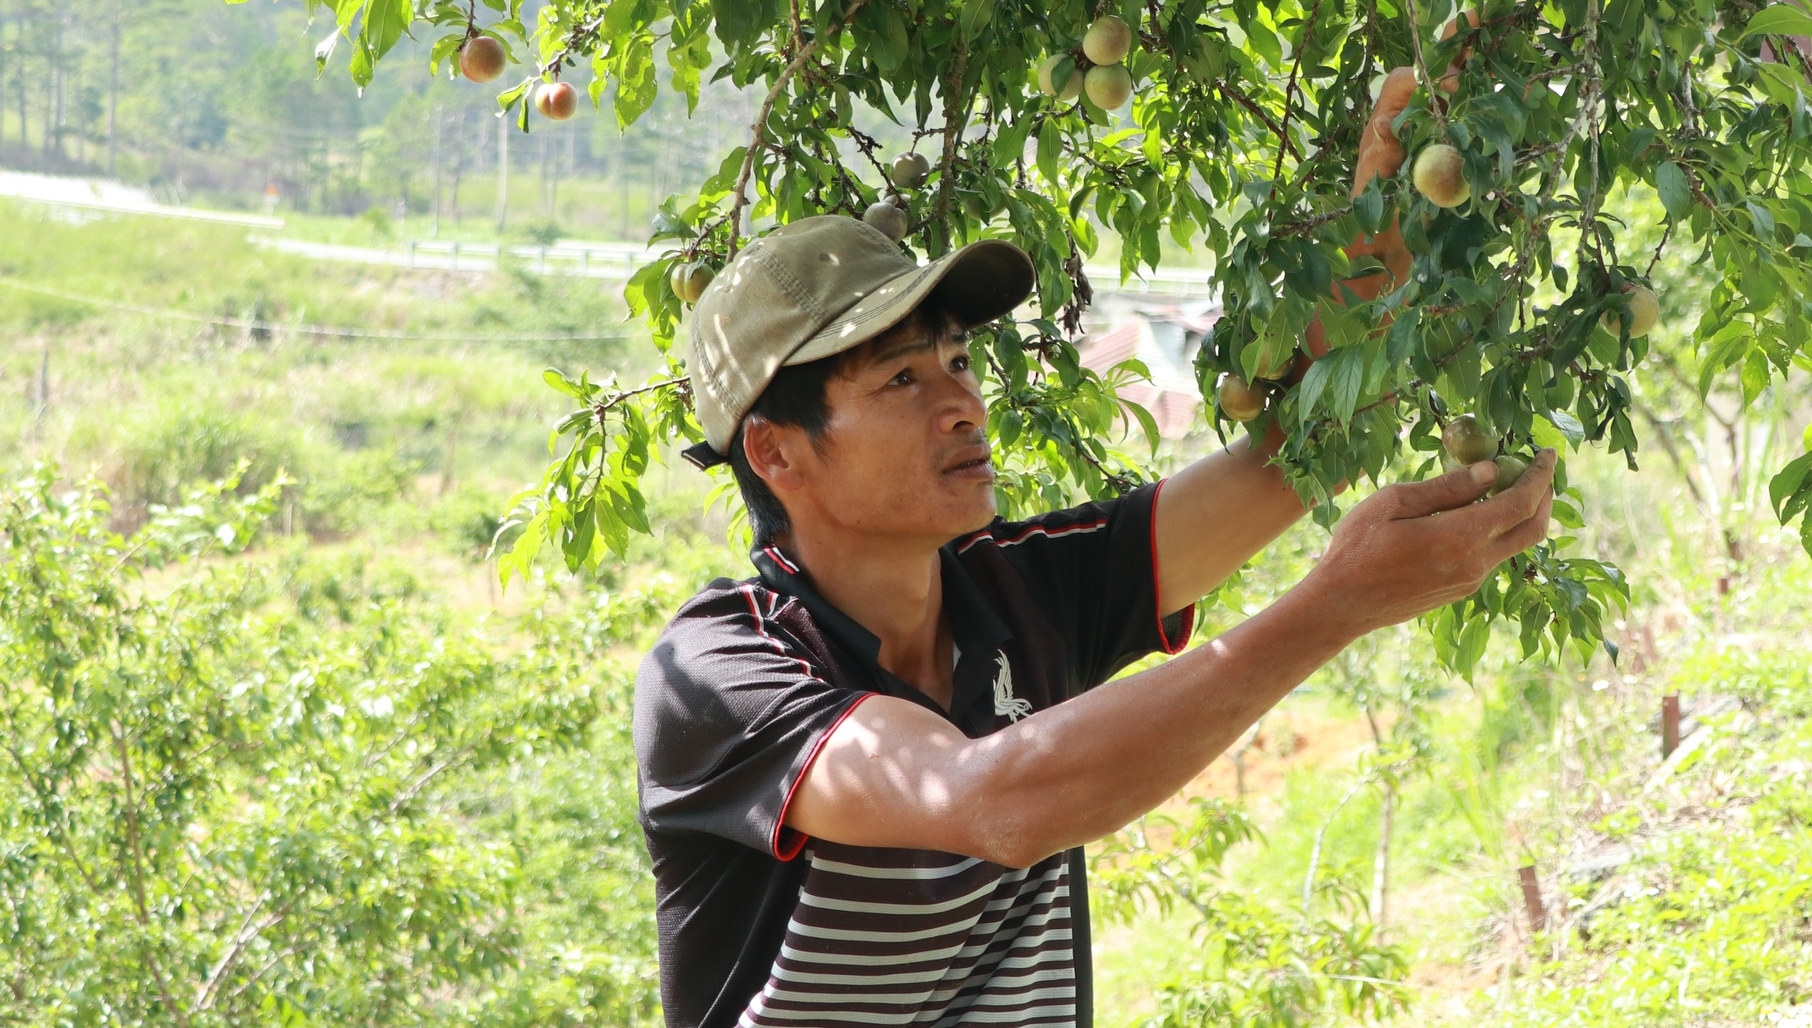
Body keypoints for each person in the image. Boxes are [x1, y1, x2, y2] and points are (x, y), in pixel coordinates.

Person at [634, 71, 1557, 1028]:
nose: (961, 404)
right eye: (901, 378)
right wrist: (1336, 604)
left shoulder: (1021, 586)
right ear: (775, 450)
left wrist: (1380, 240)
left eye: (956, 361)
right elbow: (985, 801)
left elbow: (1299, 447)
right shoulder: (718, 671)